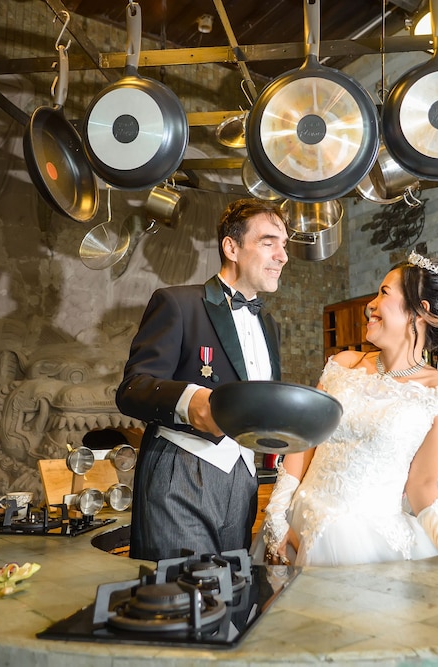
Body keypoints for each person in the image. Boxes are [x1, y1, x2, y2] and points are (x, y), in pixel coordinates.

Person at [262, 251, 438, 568]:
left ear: (419, 311)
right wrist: (276, 516)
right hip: (297, 523)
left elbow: (422, 484)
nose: (371, 305)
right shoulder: (342, 365)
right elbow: (302, 444)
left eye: (383, 293)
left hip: (365, 542)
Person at [116, 199, 288, 561]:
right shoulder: (177, 303)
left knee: (231, 586)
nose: (282, 256)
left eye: (284, 245)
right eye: (268, 242)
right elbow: (132, 388)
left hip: (244, 475)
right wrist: (189, 400)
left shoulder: (269, 326)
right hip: (181, 468)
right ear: (231, 247)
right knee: (182, 589)